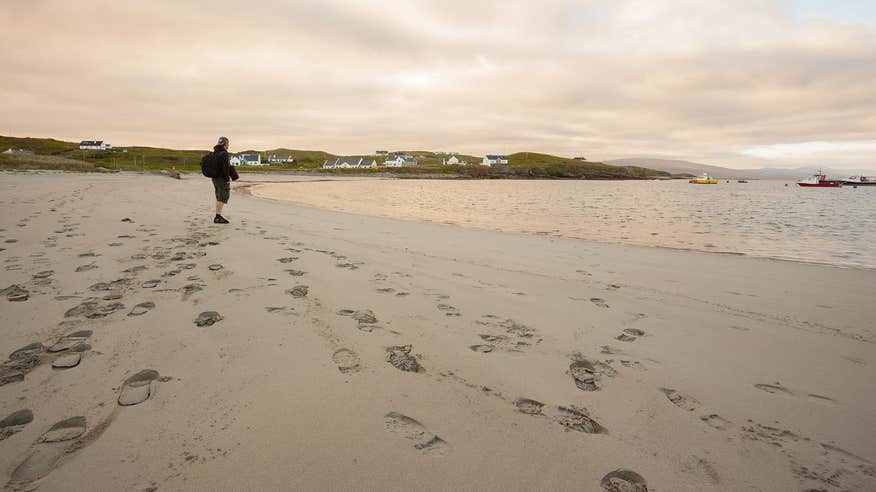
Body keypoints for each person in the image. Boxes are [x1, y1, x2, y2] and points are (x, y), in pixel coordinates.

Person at [211, 136, 238, 224]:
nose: (228, 145)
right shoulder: (224, 154)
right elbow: (224, 168)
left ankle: (218, 216)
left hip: (215, 178)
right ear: (225, 144)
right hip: (221, 178)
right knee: (222, 197)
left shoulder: (215, 152)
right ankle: (218, 217)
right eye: (228, 143)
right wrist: (227, 178)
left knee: (219, 196)